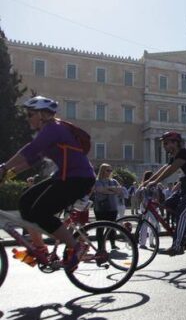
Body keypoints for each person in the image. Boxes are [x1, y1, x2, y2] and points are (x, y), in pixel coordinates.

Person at [0, 96, 95, 271]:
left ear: (42, 115)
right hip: (64, 176)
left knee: (41, 212)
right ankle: (40, 249)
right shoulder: (49, 132)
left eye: (30, 114)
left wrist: (4, 167)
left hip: (78, 178)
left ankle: (77, 247)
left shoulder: (53, 128)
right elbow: (32, 160)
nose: (27, 118)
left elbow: (31, 149)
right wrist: (8, 175)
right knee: (25, 202)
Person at [141, 131, 186, 255]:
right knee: (168, 204)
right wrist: (146, 182)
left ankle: (177, 246)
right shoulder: (173, 156)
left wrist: (155, 182)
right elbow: (164, 168)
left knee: (182, 214)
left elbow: (171, 170)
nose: (164, 146)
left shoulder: (184, 153)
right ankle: (185, 233)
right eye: (164, 144)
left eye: (166, 143)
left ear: (175, 143)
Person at [93, 164, 123, 250]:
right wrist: (112, 190)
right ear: (102, 171)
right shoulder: (97, 181)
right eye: (108, 170)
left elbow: (119, 190)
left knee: (112, 228)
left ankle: (113, 244)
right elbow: (100, 190)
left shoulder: (113, 181)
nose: (110, 172)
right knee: (100, 228)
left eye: (110, 170)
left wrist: (108, 189)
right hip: (100, 209)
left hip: (113, 208)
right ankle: (100, 247)